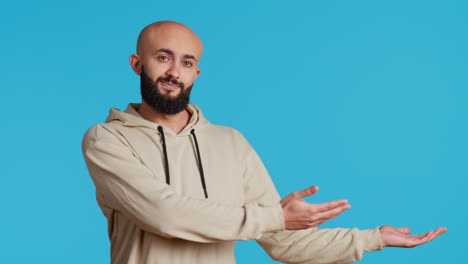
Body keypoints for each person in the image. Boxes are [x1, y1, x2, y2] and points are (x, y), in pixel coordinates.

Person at [82, 21, 447, 264]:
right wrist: (275, 217)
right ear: (136, 63)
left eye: (186, 62)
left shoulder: (230, 142)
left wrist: (372, 238)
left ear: (197, 72)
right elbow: (162, 213)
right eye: (163, 58)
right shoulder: (107, 138)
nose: (174, 72)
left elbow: (282, 241)